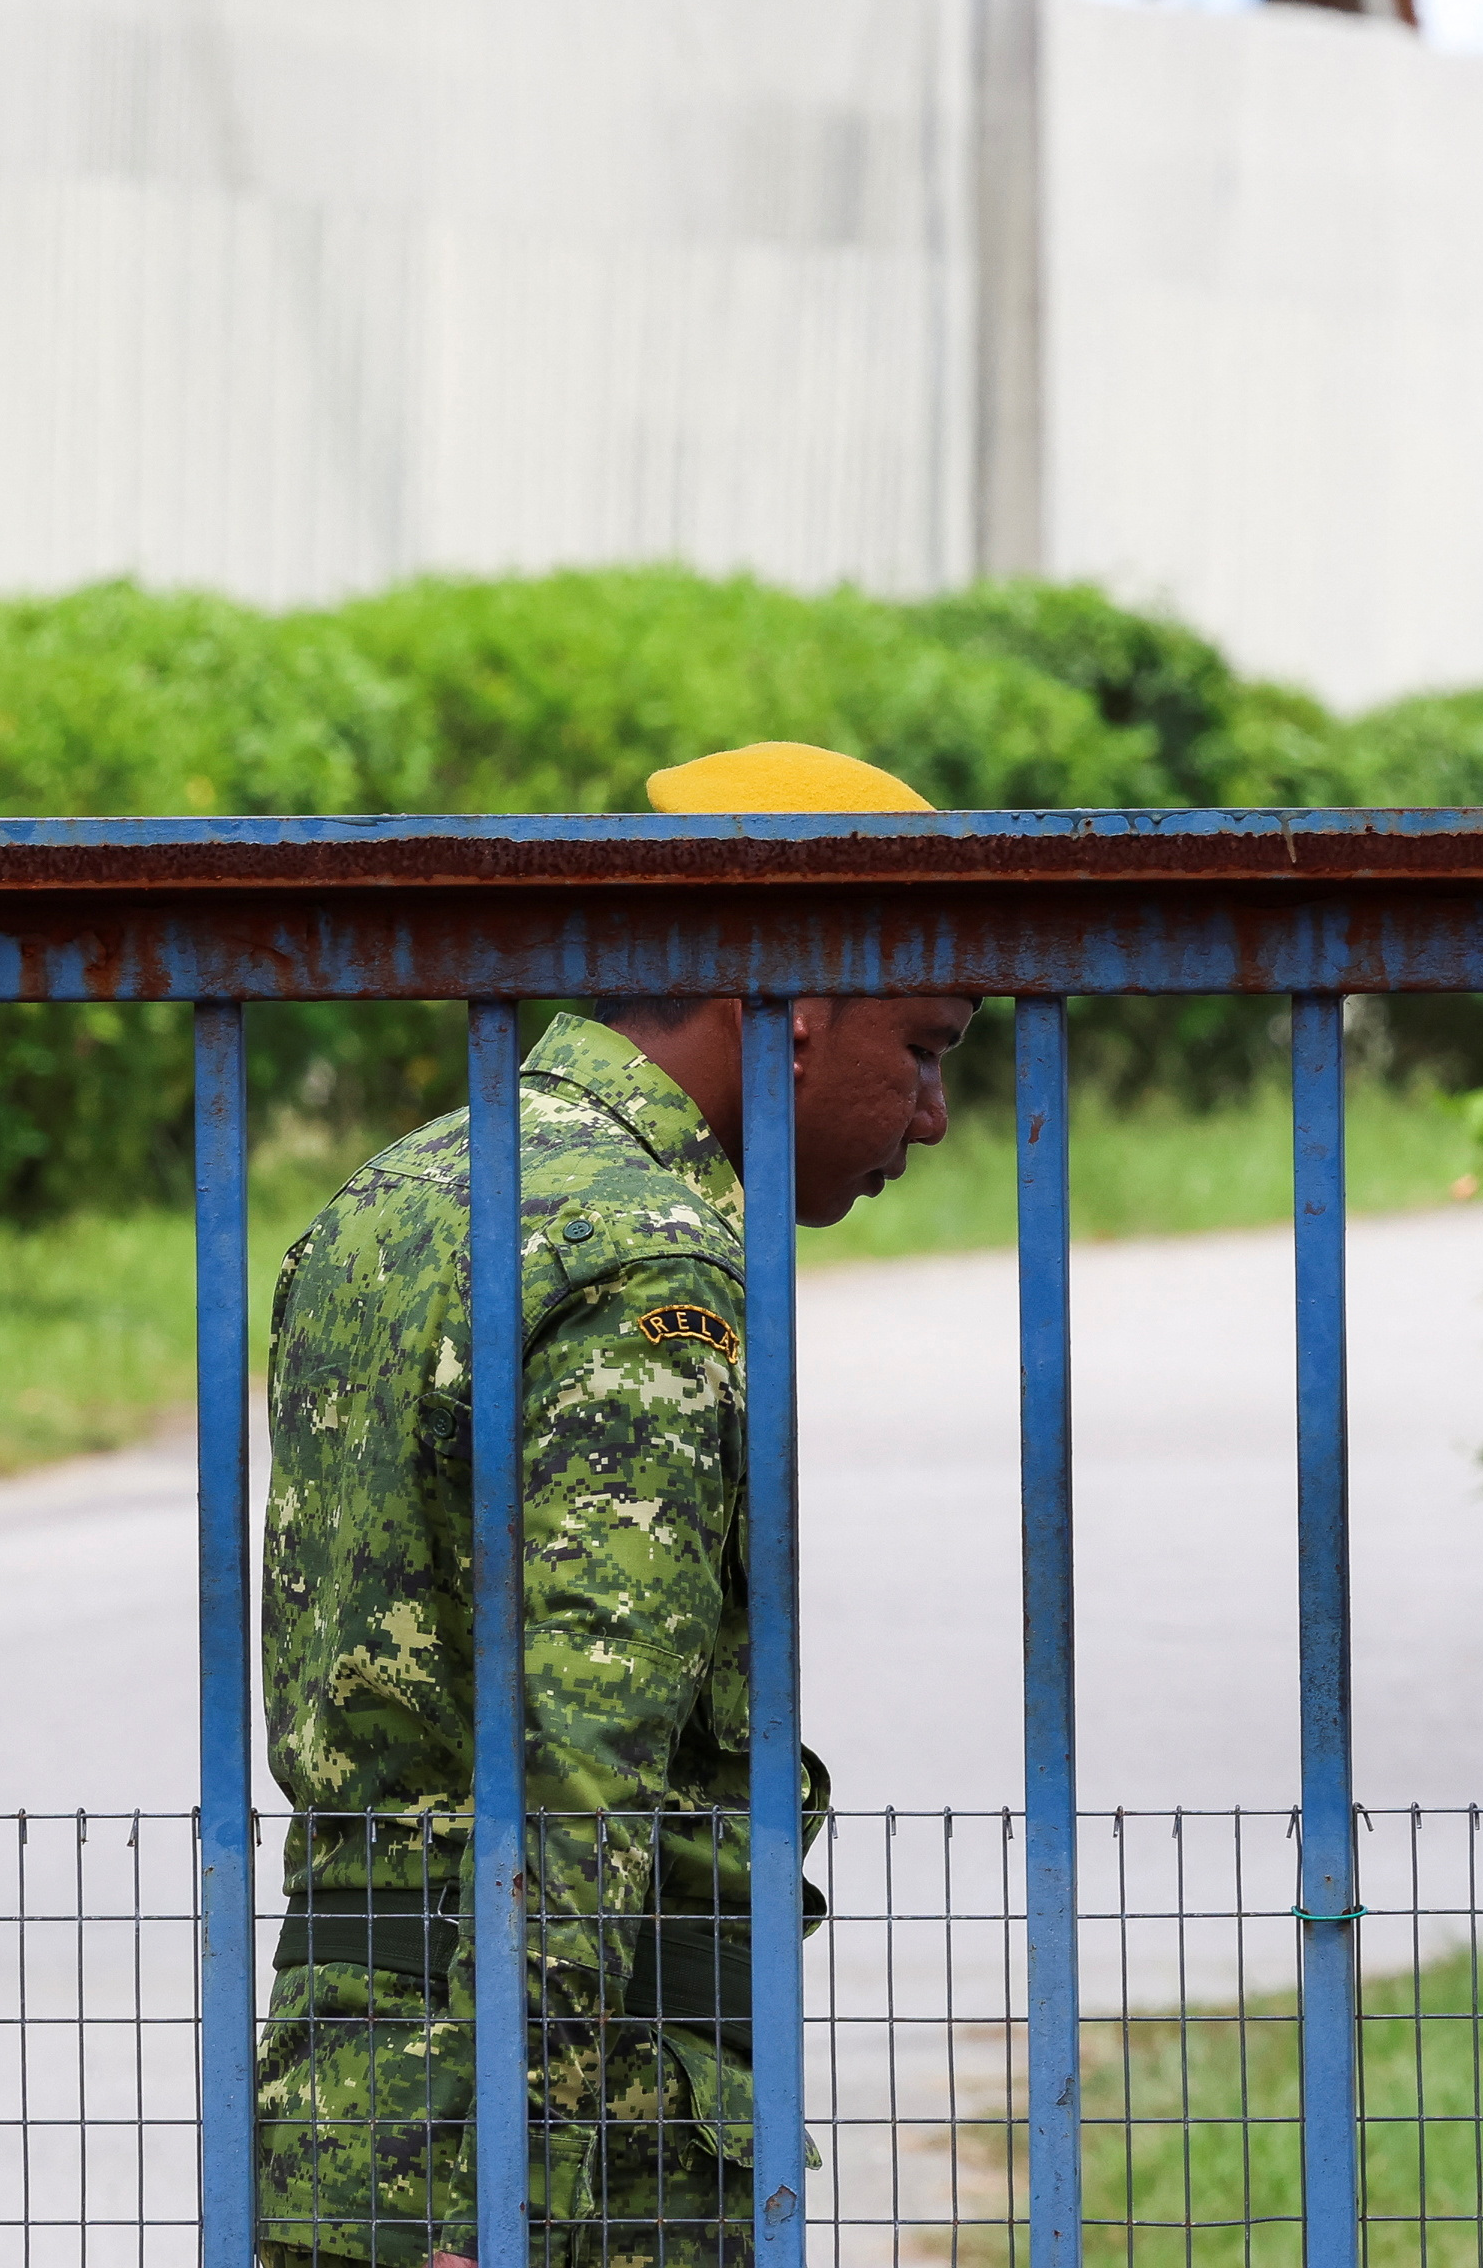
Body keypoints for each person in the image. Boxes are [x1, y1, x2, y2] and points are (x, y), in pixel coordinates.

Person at [254, 744, 979, 2268]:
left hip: (342, 2117)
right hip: (574, 2165)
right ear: (789, 1008)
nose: (930, 1115)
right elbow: (579, 1763)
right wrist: (505, 2189)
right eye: (923, 1047)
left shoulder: (392, 1198)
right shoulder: (655, 1262)